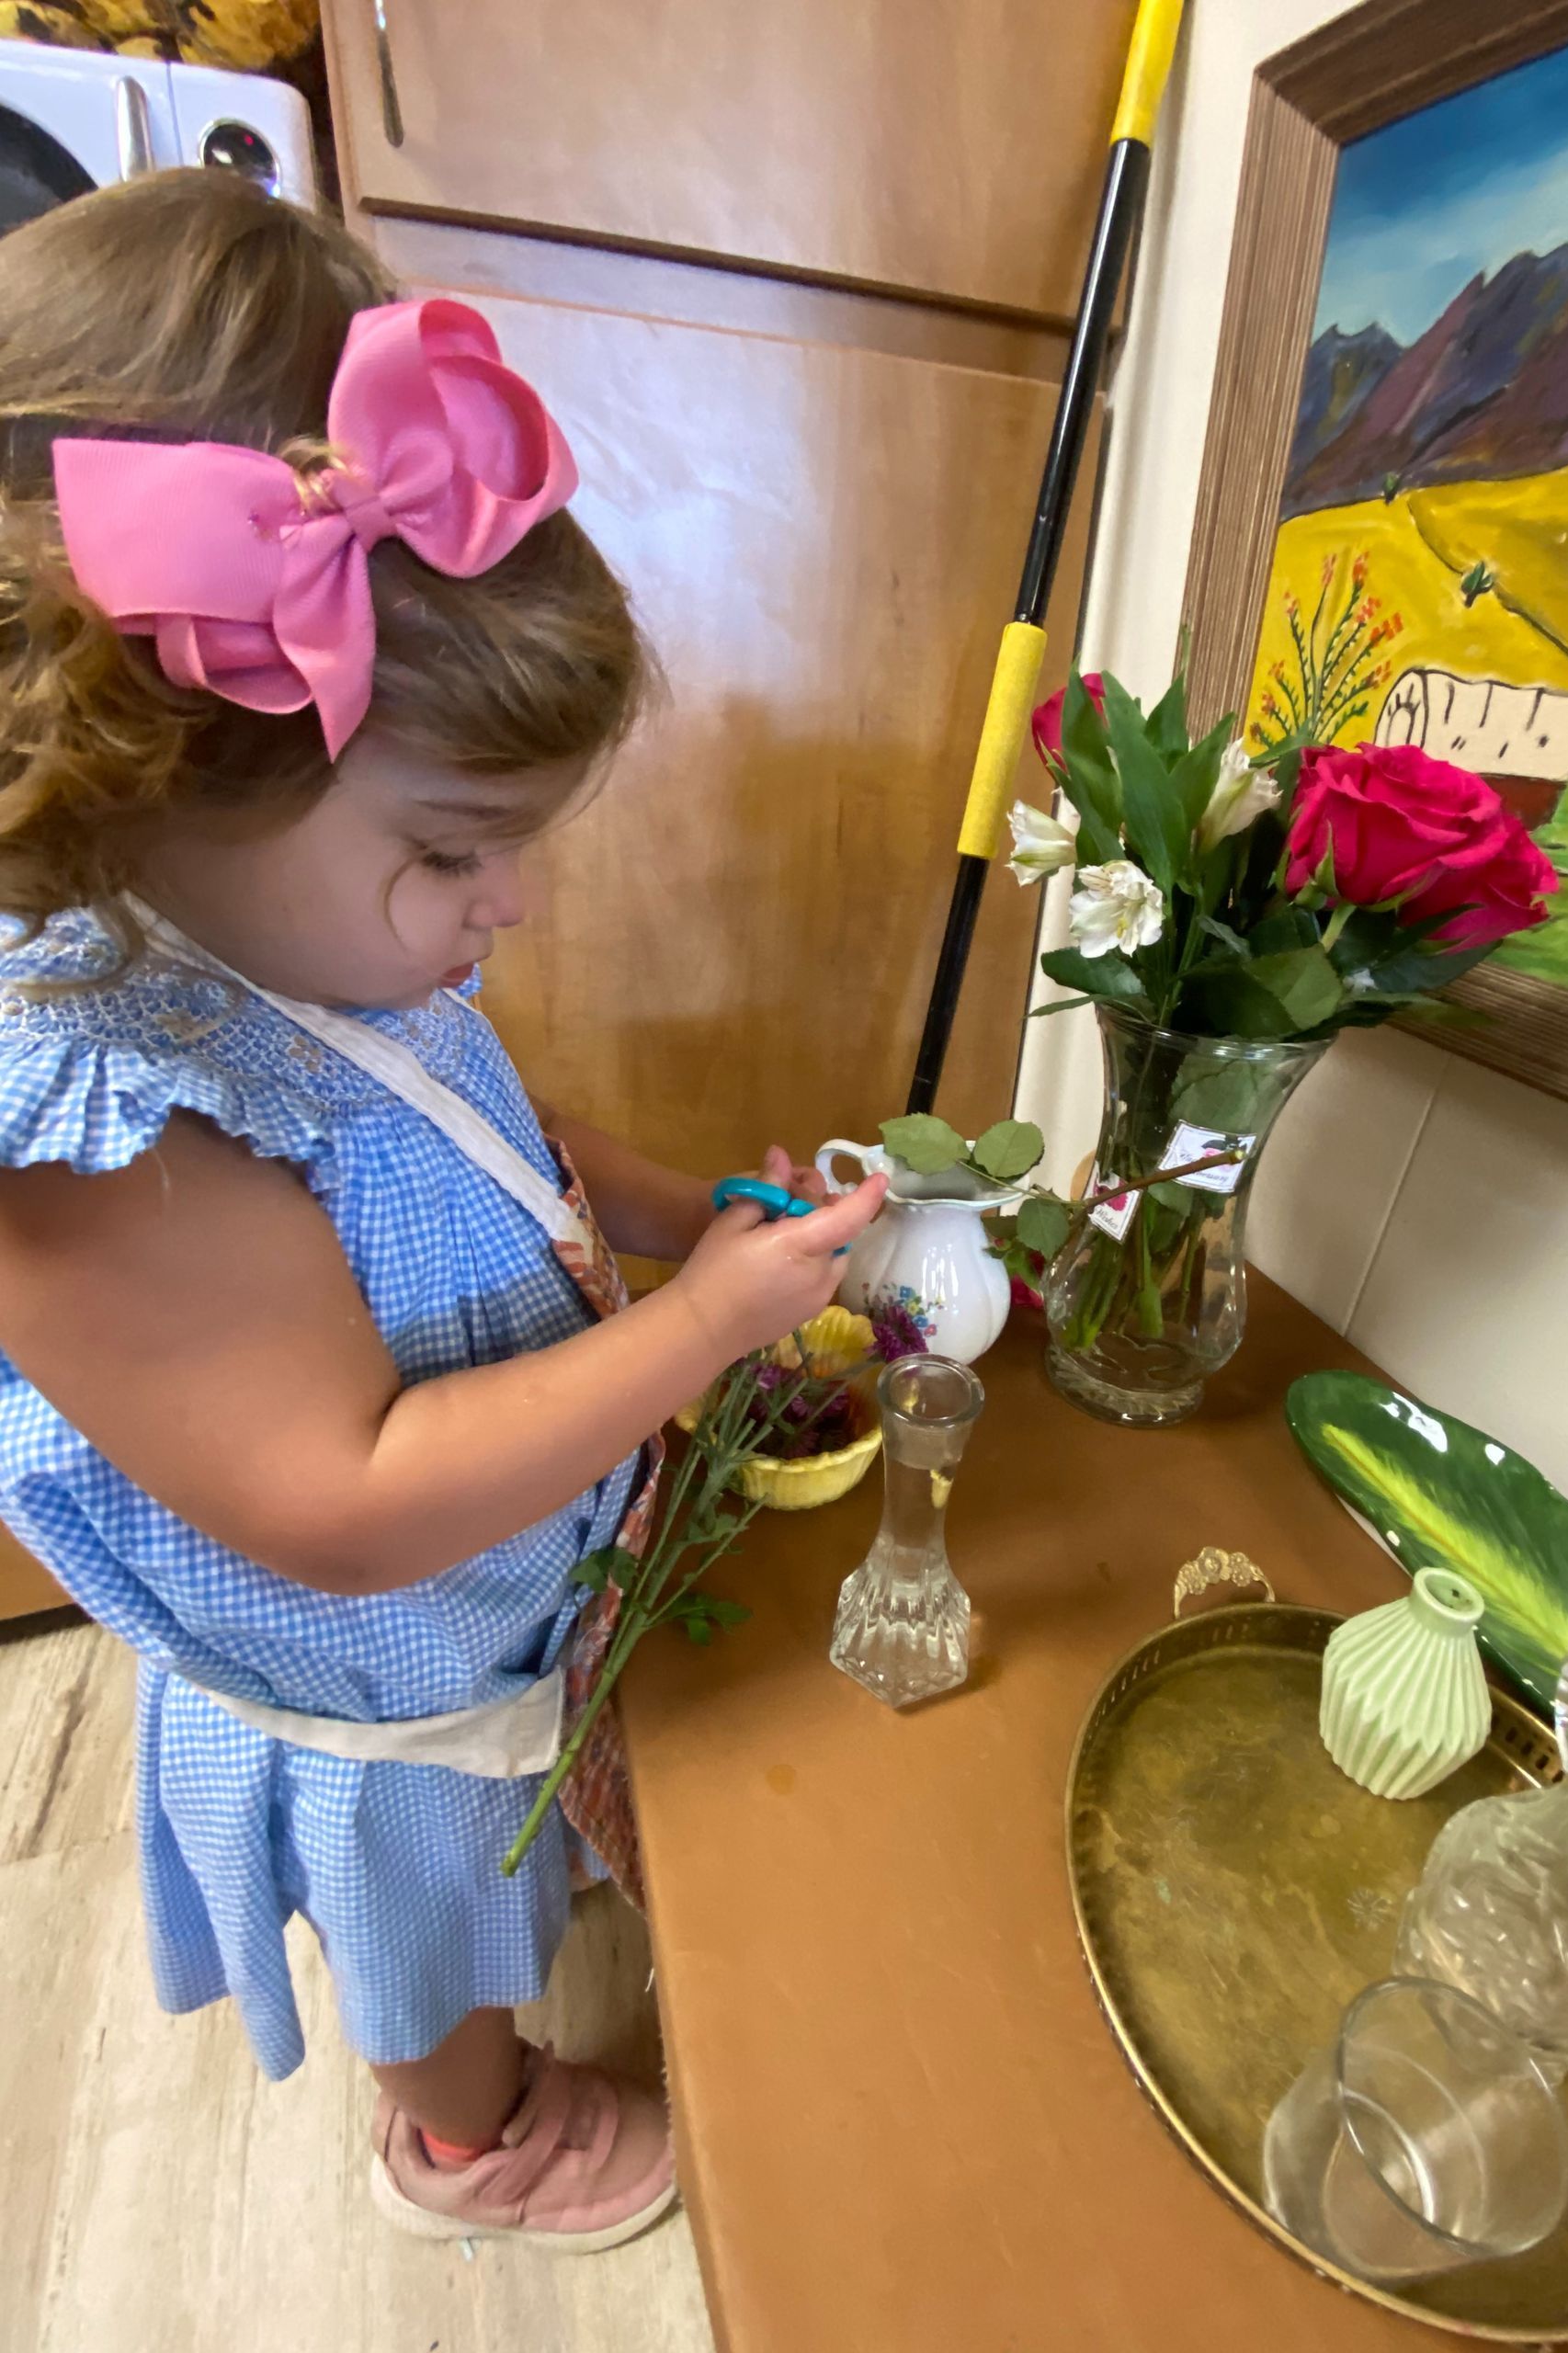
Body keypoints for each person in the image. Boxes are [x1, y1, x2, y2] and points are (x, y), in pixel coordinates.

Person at [0, 171, 885, 2250]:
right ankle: (471, 2142)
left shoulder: (305, 943)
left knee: (506, 1832)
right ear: (147, 773)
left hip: (494, 1601)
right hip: (376, 1678)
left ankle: (525, 1905)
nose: (517, 902)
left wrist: (669, 1209)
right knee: (426, 1925)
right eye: (456, 847)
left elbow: (485, 1123)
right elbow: (346, 1501)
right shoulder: (102, 1130)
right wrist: (698, 1325)